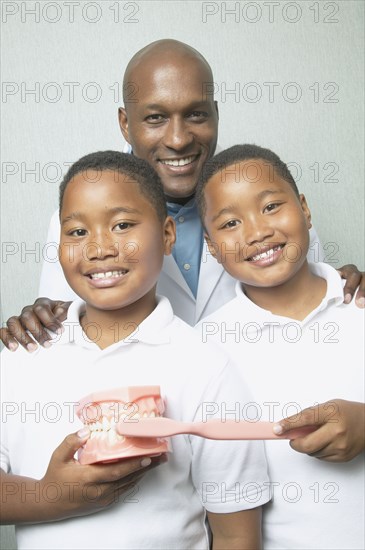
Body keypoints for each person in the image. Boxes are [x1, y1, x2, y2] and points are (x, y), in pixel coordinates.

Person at [1, 39, 364, 351]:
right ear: (126, 124)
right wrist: (41, 320)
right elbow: (67, 328)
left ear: (216, 115)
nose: (178, 140)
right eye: (156, 118)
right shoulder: (80, 218)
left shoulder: (269, 206)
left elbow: (311, 303)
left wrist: (346, 290)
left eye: (195, 115)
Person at [0, 151, 271, 550]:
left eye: (122, 225)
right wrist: (51, 497)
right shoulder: (20, 355)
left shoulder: (205, 366)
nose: (99, 248)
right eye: (76, 232)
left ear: (166, 235)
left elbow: (236, 535)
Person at [195, 144, 365, 549]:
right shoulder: (204, 348)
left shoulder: (359, 306)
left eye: (271, 206)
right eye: (231, 222)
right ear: (211, 245)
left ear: (304, 208)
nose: (257, 232)